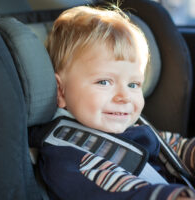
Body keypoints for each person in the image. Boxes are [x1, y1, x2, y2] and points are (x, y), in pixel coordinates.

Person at [29, 5, 195, 200]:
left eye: (133, 84)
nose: (124, 96)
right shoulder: (72, 160)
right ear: (60, 90)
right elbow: (131, 192)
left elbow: (171, 145)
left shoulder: (130, 126)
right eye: (104, 82)